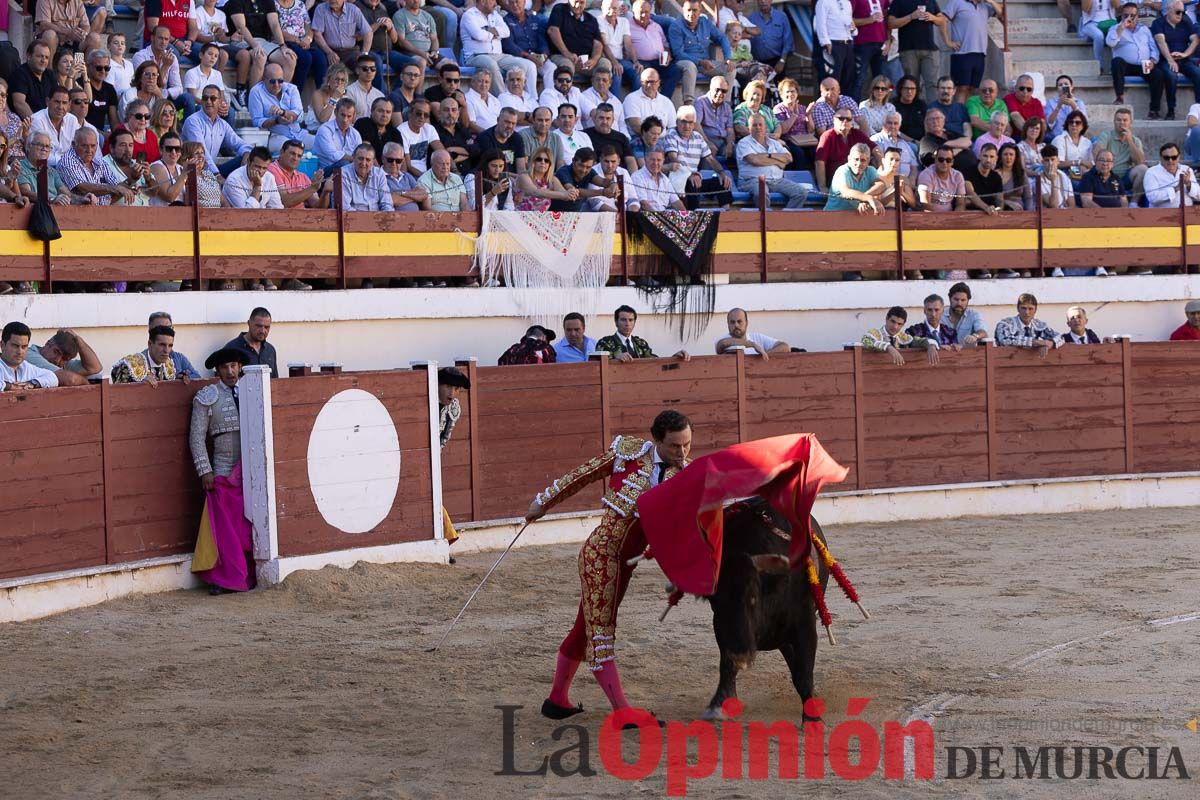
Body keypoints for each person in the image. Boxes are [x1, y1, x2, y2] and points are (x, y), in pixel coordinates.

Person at [530, 408, 694, 721]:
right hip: (601, 557)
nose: (682, 452)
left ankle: (557, 699)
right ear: (657, 440)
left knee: (585, 629)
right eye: (675, 446)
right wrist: (543, 502)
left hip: (623, 564)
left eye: (687, 444)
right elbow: (581, 475)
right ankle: (622, 713)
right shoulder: (629, 453)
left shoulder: (685, 475)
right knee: (602, 633)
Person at [189, 346, 255, 595]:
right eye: (226, 367)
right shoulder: (207, 396)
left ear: (240, 367)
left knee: (244, 527)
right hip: (223, 469)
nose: (231, 371)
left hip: (250, 468)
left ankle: (247, 574)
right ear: (217, 370)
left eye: (234, 366)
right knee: (225, 530)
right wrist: (204, 470)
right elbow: (196, 438)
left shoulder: (251, 391)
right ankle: (222, 578)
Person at [462, 0, 537, 101]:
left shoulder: (495, 14)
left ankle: (529, 101)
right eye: (492, 0)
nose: (496, 3)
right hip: (475, 56)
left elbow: (506, 32)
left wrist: (487, 31)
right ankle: (505, 101)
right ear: (483, 1)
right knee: (491, 64)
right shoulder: (469, 15)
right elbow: (478, 35)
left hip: (499, 55)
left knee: (525, 65)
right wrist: (496, 34)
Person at [662, 105, 733, 209]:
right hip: (677, 179)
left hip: (695, 178)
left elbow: (710, 159)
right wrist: (688, 175)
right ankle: (693, 218)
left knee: (722, 183)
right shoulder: (671, 134)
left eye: (690, 122)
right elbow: (674, 158)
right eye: (683, 122)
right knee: (692, 184)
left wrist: (722, 173)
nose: (687, 126)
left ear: (694, 124)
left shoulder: (698, 137)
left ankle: (726, 216)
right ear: (677, 122)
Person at [669, 0, 734, 105]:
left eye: (695, 10)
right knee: (690, 67)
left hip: (706, 63)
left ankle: (725, 104)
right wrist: (700, 61)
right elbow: (678, 53)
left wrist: (727, 58)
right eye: (688, 10)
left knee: (730, 68)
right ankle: (688, 104)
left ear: (700, 11)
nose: (691, 13)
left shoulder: (705, 22)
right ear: (683, 10)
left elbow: (722, 38)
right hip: (684, 61)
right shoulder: (676, 26)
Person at [887, 0, 951, 102]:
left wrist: (932, 17)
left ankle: (932, 112)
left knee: (933, 84)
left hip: (930, 49)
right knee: (911, 85)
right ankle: (915, 112)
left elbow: (942, 20)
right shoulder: (899, 1)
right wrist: (911, 17)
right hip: (908, 50)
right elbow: (890, 23)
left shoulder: (930, 1)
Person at [740, 112, 808, 208]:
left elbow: (789, 158)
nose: (758, 127)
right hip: (752, 180)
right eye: (754, 125)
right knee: (762, 193)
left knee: (801, 192)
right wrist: (778, 161)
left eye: (760, 125)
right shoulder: (744, 143)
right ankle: (765, 222)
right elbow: (754, 160)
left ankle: (784, 220)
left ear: (766, 128)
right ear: (749, 129)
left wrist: (770, 155)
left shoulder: (774, 143)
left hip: (777, 180)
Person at [436, 365, 470, 557]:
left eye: (456, 389)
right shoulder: (425, 399)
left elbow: (444, 439)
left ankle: (445, 542)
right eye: (448, 386)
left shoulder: (454, 408)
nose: (452, 393)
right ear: (438, 385)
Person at [180, 86, 251, 177]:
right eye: (205, 98)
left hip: (211, 172)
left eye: (212, 98)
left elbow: (239, 143)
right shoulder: (193, 121)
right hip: (193, 172)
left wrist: (247, 153)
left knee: (248, 159)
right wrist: (217, 175)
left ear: (220, 102)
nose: (208, 101)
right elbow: (202, 154)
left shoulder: (222, 124)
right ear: (201, 100)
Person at [941, 0, 1000, 102]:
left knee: (973, 89)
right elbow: (942, 20)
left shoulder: (985, 6)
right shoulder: (956, 2)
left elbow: (1001, 12)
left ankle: (968, 115)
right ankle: (959, 116)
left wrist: (991, 1)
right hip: (962, 53)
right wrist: (947, 41)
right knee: (961, 88)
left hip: (980, 53)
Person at [1107, 4, 1163, 109]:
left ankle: (1154, 110)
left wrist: (1152, 60)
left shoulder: (1145, 29)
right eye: (1126, 15)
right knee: (1116, 62)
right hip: (1126, 66)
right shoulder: (1115, 28)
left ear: (1137, 16)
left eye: (1132, 15)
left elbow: (1153, 48)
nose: (1129, 18)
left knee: (1158, 74)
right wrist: (1121, 28)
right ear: (1122, 16)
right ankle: (1119, 96)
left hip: (1144, 65)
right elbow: (1110, 43)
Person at [594, 304, 689, 361]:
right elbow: (599, 363)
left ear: (634, 322)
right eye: (623, 320)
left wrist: (674, 357)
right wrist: (616, 357)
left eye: (631, 320)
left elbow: (655, 362)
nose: (627, 324)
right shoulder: (605, 342)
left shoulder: (640, 343)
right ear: (616, 322)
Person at [1091, 107, 1148, 200]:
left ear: (1130, 123)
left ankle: (1134, 203)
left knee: (1143, 169)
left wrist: (1129, 140)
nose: (1121, 123)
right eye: (1118, 120)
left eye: (1125, 120)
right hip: (1107, 175)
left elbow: (1140, 161)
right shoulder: (1106, 135)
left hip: (1125, 178)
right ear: (1114, 122)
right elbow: (1097, 154)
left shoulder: (1135, 141)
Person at [250, 63, 308, 153]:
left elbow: (299, 116)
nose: (277, 85)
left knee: (319, 143)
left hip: (298, 133)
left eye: (280, 81)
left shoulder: (292, 89)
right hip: (275, 136)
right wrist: (276, 121)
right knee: (291, 149)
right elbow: (257, 121)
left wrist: (283, 113)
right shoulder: (256, 92)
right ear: (264, 79)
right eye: (272, 81)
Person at [815, 107, 873, 194]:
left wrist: (882, 167)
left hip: (858, 177)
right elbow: (819, 162)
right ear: (834, 120)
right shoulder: (827, 136)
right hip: (837, 180)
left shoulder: (857, 133)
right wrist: (822, 187)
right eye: (841, 118)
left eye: (848, 119)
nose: (845, 121)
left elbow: (876, 149)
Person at [111, 325, 190, 385]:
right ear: (150, 344)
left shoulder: (169, 366)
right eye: (162, 345)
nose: (166, 350)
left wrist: (178, 379)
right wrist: (139, 384)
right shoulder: (129, 366)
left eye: (170, 346)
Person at [862, 305, 940, 365]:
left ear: (903, 324)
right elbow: (866, 341)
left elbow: (920, 340)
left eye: (899, 324)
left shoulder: (903, 337)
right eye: (893, 321)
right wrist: (889, 347)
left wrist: (931, 346)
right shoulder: (875, 333)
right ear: (886, 318)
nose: (895, 327)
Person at [23, 328, 101, 386]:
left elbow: (95, 367)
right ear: (48, 343)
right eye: (56, 352)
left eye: (64, 359)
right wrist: (85, 382)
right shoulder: (29, 355)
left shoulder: (63, 364)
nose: (57, 360)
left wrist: (78, 339)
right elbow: (70, 380)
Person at [824, 141, 886, 213]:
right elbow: (846, 192)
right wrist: (868, 198)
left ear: (868, 161)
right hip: (832, 216)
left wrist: (864, 198)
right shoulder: (842, 171)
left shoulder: (870, 170)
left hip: (855, 217)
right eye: (856, 159)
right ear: (849, 158)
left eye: (863, 160)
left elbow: (881, 185)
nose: (859, 164)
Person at [1, 322, 60, 391]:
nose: (20, 352)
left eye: (24, 347)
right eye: (15, 346)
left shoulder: (25, 367)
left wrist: (32, 383)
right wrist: (11, 386)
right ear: (2, 345)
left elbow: (53, 377)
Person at [994, 293, 1060, 355]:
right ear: (1018, 308)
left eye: (1030, 309)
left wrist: (1050, 343)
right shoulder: (1005, 324)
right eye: (1023, 308)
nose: (1027, 312)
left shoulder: (1039, 325)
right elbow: (1004, 340)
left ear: (1035, 310)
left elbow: (1060, 337)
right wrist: (1035, 342)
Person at [714, 307, 790, 358]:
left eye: (739, 321)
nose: (736, 325)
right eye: (732, 322)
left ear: (746, 323)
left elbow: (785, 347)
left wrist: (763, 356)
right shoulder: (723, 339)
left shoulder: (757, 337)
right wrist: (752, 344)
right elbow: (723, 343)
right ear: (728, 324)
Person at [224, 307, 278, 378]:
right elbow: (223, 384)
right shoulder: (231, 349)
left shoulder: (270, 350)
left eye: (266, 327)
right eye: (259, 326)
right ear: (249, 323)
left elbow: (275, 380)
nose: (262, 331)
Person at [223, 144, 282, 209]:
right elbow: (246, 213)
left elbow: (277, 207)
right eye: (257, 166)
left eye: (264, 168)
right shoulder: (234, 180)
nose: (261, 171)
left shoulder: (269, 177)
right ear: (248, 162)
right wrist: (257, 186)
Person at [1145, 141, 1200, 207]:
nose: (1170, 160)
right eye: (1166, 158)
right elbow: (1152, 197)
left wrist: (1189, 184)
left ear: (1179, 157)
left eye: (1174, 157)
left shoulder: (1187, 170)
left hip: (1187, 214)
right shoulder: (1151, 172)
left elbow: (1198, 196)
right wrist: (1176, 188)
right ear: (1161, 158)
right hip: (1162, 215)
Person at [313, 96, 362, 170]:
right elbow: (333, 156)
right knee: (344, 164)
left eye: (349, 116)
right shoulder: (325, 129)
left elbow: (360, 154)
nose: (345, 120)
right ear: (335, 112)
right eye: (342, 115)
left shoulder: (355, 134)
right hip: (325, 172)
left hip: (349, 169)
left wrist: (357, 159)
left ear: (354, 116)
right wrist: (354, 159)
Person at [623, 67, 676, 133]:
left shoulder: (666, 102)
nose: (649, 85)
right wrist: (652, 138)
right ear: (641, 82)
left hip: (664, 140)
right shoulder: (631, 99)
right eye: (646, 82)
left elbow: (672, 127)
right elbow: (636, 126)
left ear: (659, 83)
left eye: (653, 82)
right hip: (640, 139)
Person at [917, 144, 967, 212]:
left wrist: (955, 219)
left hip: (950, 217)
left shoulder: (958, 176)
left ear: (952, 162)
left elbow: (960, 204)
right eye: (941, 159)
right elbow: (926, 205)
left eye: (948, 160)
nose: (944, 163)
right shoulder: (926, 175)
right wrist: (940, 221)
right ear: (935, 160)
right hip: (928, 216)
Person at [354, 96, 402, 163]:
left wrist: (403, 173)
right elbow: (367, 154)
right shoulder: (363, 124)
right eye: (380, 111)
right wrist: (380, 173)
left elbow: (401, 159)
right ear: (372, 111)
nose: (384, 115)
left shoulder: (395, 133)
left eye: (388, 112)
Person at [382, 142, 429, 210]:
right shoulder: (379, 177)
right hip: (395, 218)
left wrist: (401, 193)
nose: (394, 163)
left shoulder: (406, 175)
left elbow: (423, 194)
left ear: (403, 161)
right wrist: (415, 198)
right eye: (390, 160)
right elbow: (390, 200)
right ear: (383, 158)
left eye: (398, 161)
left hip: (415, 218)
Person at [517, 105, 565, 171]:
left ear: (551, 121)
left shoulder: (556, 138)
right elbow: (525, 164)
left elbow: (560, 164)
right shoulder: (523, 135)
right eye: (540, 120)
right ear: (533, 120)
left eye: (547, 120)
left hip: (552, 177)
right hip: (530, 176)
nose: (543, 124)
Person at [1043, 75, 1089, 139]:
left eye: (1066, 84)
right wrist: (1058, 106)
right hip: (1056, 137)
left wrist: (1074, 106)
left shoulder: (1079, 102)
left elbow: (1084, 123)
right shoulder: (1051, 102)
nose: (1063, 86)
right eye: (1060, 85)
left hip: (1075, 137)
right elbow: (1049, 124)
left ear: (1071, 87)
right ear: (1057, 88)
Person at [1051, 110, 1093, 180]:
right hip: (1066, 172)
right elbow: (1058, 164)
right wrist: (1079, 162)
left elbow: (1091, 163)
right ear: (1067, 124)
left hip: (1085, 171)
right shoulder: (1060, 140)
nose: (1074, 124)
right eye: (1071, 122)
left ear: (1083, 126)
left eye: (1077, 123)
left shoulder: (1087, 142)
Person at [1080, 0, 1120, 65]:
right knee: (1098, 35)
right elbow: (1085, 9)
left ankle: (1114, 65)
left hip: (1109, 22)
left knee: (1115, 34)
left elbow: (1117, 5)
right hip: (1090, 23)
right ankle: (1099, 65)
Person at [892, 73, 927, 141]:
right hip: (900, 140)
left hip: (921, 142)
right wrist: (913, 141)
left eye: (913, 89)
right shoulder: (893, 106)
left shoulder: (921, 105)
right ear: (900, 89)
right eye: (906, 88)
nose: (909, 92)